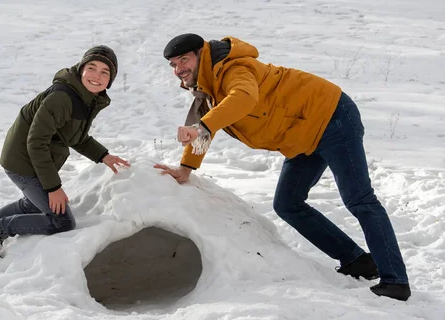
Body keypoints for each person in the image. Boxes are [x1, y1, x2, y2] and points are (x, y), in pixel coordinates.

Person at [155, 33, 411, 301]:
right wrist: (186, 168)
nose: (178, 68)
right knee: (288, 204)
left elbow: (242, 98)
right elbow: (206, 125)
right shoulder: (208, 89)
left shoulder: (233, 69)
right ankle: (357, 261)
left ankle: (395, 280)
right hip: (301, 137)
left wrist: (203, 127)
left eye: (183, 59)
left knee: (359, 199)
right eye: (173, 64)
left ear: (201, 54)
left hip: (332, 117)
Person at [0, 45, 130, 259]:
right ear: (81, 68)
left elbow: (75, 137)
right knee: (62, 221)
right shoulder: (63, 98)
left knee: (31, 204)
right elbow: (36, 142)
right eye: (92, 68)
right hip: (24, 162)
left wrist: (103, 155)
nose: (96, 76)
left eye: (105, 72)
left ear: (110, 80)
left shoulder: (85, 98)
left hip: (31, 159)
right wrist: (53, 187)